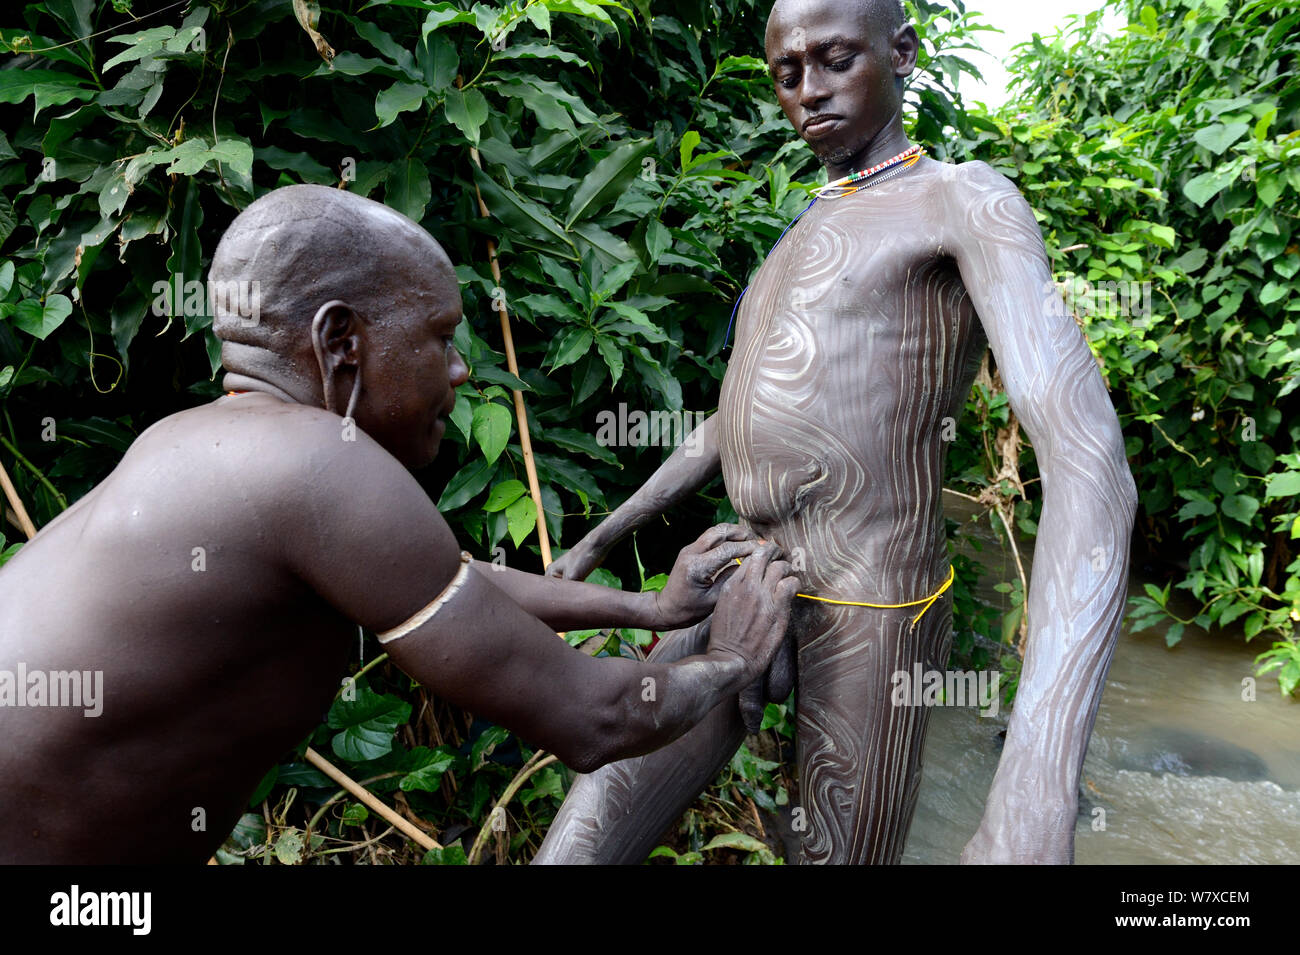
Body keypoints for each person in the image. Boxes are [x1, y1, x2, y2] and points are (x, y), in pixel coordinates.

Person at [0, 184, 800, 864]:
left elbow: (451, 580)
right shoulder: (319, 463)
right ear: (341, 342)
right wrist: (731, 655)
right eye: (440, 337)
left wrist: (646, 610)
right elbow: (598, 717)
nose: (460, 370)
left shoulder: (201, 442)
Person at [538, 0, 1138, 864]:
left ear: (902, 53)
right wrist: (600, 536)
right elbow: (727, 424)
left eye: (835, 60)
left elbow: (1085, 459)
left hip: (872, 604)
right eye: (787, 74)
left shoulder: (963, 201)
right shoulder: (803, 231)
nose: (809, 90)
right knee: (582, 844)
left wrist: (1037, 782)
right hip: (744, 578)